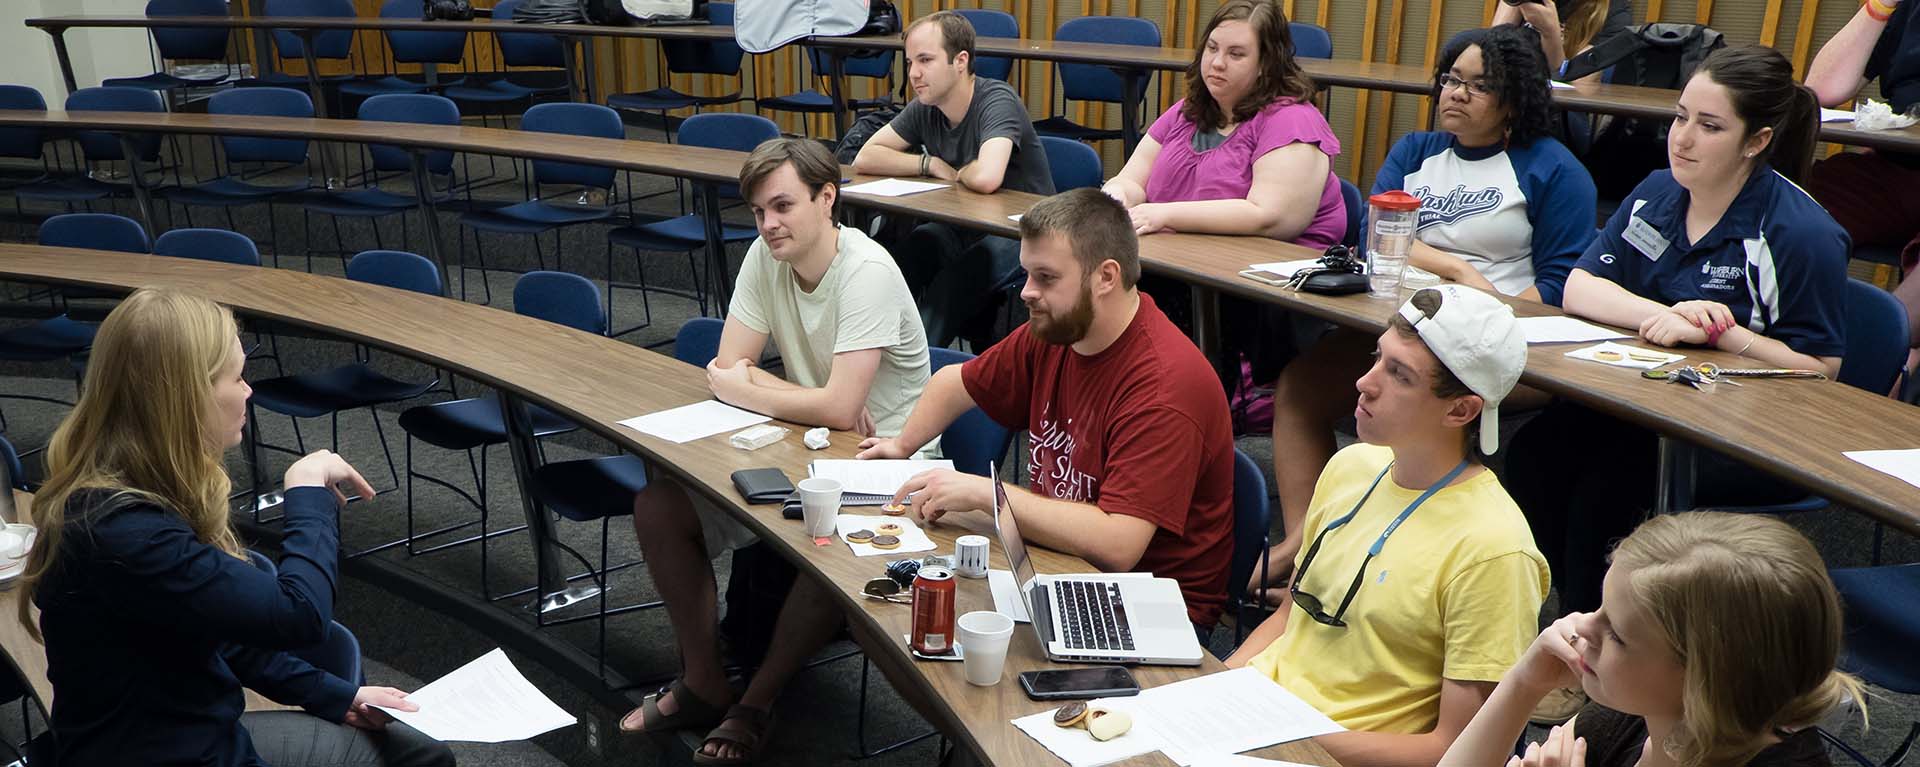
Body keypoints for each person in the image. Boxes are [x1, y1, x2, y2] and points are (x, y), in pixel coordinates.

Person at [19, 288, 453, 767]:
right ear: (185, 397)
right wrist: (306, 490)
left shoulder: (128, 490)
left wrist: (333, 694)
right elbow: (299, 617)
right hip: (169, 753)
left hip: (184, 735)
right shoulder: (125, 531)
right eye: (237, 376)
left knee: (419, 751)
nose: (249, 391)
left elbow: (218, 630)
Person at [618, 137, 931, 765]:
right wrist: (784, 391)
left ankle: (755, 702)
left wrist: (757, 386)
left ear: (826, 198)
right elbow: (728, 367)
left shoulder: (867, 273)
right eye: (759, 211)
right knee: (660, 506)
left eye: (783, 206)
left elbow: (840, 412)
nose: (768, 224)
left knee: (825, 545)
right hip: (799, 442)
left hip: (888, 465)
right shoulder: (768, 256)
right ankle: (703, 678)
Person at [1254, 23, 1594, 600]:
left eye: (1478, 86)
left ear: (1515, 99)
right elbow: (1380, 235)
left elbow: (1560, 287)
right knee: (1302, 386)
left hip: (1500, 342)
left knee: (1403, 403)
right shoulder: (1416, 151)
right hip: (1402, 327)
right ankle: (1304, 541)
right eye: (1450, 80)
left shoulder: (1554, 170)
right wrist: (1455, 270)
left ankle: (1364, 561)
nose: (1456, 94)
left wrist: (1465, 289)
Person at [1505, 45, 1847, 617]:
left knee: (1607, 488)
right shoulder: (1659, 191)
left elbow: (1822, 371)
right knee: (1534, 458)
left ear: (1757, 141)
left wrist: (1725, 335)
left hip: (1740, 431)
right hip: (1643, 401)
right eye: (1681, 116)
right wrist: (1660, 318)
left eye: (1709, 126)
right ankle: (1577, 621)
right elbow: (1579, 287)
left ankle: (1599, 648)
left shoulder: (1798, 232)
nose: (1682, 138)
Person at [856, 188, 1234, 637]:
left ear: (1106, 277)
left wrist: (988, 494)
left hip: (1149, 607)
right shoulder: (1059, 329)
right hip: (1060, 564)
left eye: (1046, 277)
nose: (1027, 293)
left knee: (958, 644)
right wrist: (901, 445)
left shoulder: (1164, 384)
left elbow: (1118, 546)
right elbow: (954, 383)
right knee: (913, 609)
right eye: (1027, 274)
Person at [1225, 285, 1549, 767]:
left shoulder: (1493, 550)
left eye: (1398, 375)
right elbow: (1288, 619)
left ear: (1461, 410)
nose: (1364, 382)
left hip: (1324, 752)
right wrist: (1211, 688)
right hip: (1255, 724)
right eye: (1378, 357)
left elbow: (1459, 750)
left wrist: (1287, 740)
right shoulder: (1351, 466)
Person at [1438, 512, 1860, 767]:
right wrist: (1522, 684)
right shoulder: (1636, 715)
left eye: (1617, 634)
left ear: (1703, 680)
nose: (1581, 626)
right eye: (1598, 607)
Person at [853, 10, 1055, 349]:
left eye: (926, 60)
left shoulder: (996, 99)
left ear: (960, 61)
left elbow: (988, 176)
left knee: (952, 285)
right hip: (964, 224)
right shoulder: (926, 105)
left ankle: (916, 377)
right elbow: (866, 157)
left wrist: (960, 171)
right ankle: (864, 358)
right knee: (904, 259)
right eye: (910, 63)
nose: (915, 74)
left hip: (1022, 232)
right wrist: (927, 162)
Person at [1100, 0, 1344, 246]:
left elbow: (1271, 217)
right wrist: (1116, 195)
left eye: (1235, 54)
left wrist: (1165, 215)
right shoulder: (1188, 110)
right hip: (1181, 259)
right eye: (1212, 48)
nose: (1217, 62)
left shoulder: (1294, 121)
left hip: (1263, 272)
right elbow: (1131, 180)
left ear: (1266, 64)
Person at [1804, 0, 1920, 342]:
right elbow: (1822, 89)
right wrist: (1881, 5)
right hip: (1894, 167)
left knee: (1893, 338)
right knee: (1796, 201)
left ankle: (1878, 351)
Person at [1492, 0, 1634, 82]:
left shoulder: (1613, 15)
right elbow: (1489, 54)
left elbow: (1574, 99)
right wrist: (1516, 5)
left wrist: (1550, 33)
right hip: (1509, 97)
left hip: (1558, 117)